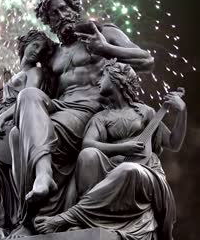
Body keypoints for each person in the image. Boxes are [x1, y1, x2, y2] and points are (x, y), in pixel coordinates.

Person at [7, 0, 155, 237]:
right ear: (48, 21)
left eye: (63, 8)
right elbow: (31, 84)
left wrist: (106, 49)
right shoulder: (52, 55)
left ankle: (43, 203)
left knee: (29, 134)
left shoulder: (103, 32)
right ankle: (40, 188)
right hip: (61, 106)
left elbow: (146, 60)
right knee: (17, 128)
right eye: (53, 13)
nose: (61, 15)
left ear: (74, 8)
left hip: (91, 109)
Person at [33, 60, 186, 240]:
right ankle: (85, 221)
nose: (98, 81)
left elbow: (174, 143)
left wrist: (182, 111)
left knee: (128, 170)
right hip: (112, 170)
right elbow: (88, 144)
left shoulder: (146, 113)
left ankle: (68, 217)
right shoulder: (102, 117)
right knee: (88, 155)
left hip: (144, 174)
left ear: (117, 79)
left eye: (103, 76)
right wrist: (123, 147)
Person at [0, 30, 57, 240]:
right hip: (1, 133)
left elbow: (28, 97)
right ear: (24, 45)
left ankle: (17, 222)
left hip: (18, 126)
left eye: (40, 50)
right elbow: (8, 102)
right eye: (34, 46)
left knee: (4, 181)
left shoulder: (35, 73)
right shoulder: (17, 76)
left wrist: (1, 117)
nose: (35, 52)